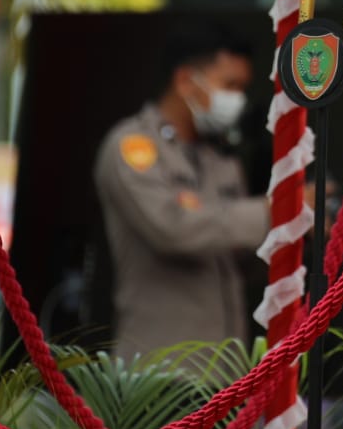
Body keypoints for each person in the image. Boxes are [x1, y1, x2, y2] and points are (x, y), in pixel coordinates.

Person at [92, 26, 277, 359]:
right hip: (159, 372)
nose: (238, 100)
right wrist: (273, 212)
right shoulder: (133, 146)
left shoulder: (221, 159)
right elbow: (173, 230)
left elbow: (238, 260)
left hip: (224, 372)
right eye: (230, 86)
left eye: (243, 89)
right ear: (185, 81)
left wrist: (295, 231)